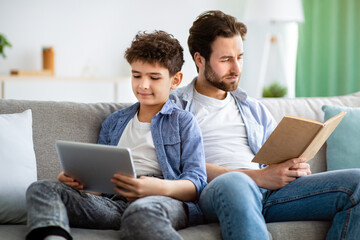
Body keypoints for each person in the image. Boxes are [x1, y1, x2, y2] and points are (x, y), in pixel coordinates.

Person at [171, 10, 360, 240]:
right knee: (236, 182)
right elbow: (175, 163)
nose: (237, 69)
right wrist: (257, 177)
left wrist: (294, 168)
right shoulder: (175, 107)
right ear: (200, 59)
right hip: (217, 192)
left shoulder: (252, 107)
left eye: (239, 57)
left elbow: (276, 157)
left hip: (270, 194)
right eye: (226, 59)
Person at [25, 30, 207, 240]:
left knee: (140, 213)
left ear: (175, 80)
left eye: (154, 77)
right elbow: (98, 190)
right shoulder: (114, 122)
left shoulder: (183, 121)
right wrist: (78, 183)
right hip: (113, 204)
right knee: (42, 188)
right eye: (136, 75)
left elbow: (197, 184)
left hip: (160, 200)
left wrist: (155, 187)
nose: (143, 85)